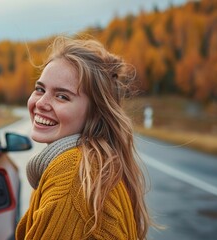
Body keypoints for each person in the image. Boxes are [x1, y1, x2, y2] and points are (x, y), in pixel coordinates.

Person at [16, 36, 152, 239]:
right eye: (40, 89)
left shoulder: (72, 175)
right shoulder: (97, 166)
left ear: (95, 113)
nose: (41, 103)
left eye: (62, 96)